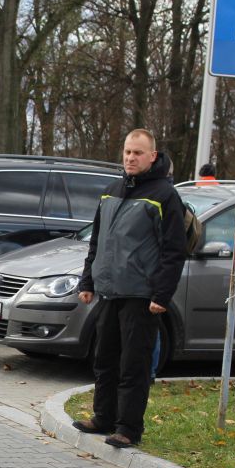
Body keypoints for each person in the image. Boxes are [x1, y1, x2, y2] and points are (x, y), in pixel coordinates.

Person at [71, 128, 186, 448]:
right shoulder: (111, 191)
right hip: (109, 291)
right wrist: (88, 281)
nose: (131, 158)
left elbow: (174, 250)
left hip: (141, 295)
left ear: (152, 156)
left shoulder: (165, 195)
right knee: (104, 359)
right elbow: (98, 241)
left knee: (133, 364)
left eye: (138, 153)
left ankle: (128, 428)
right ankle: (103, 417)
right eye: (127, 152)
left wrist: (162, 294)